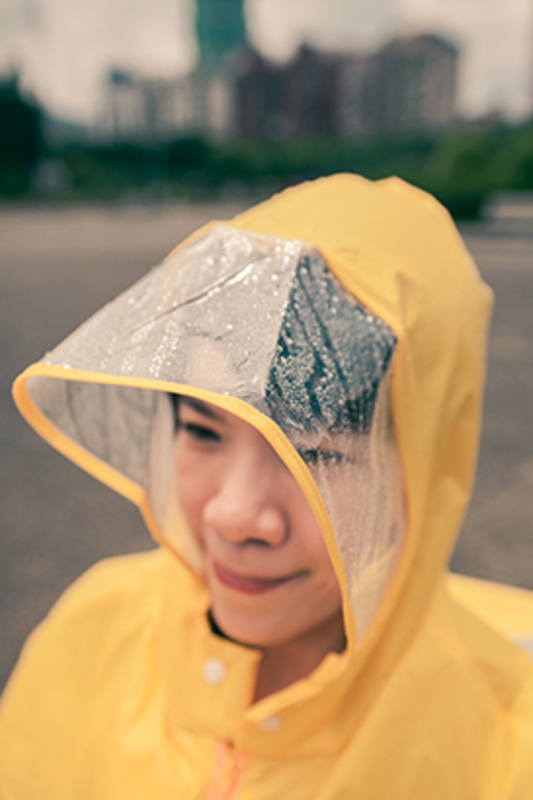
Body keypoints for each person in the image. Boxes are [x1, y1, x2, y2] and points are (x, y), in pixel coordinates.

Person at [1, 174, 532, 799]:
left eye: (316, 455)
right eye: (203, 431)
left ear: (426, 466)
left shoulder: (503, 744)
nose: (234, 515)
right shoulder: (94, 629)